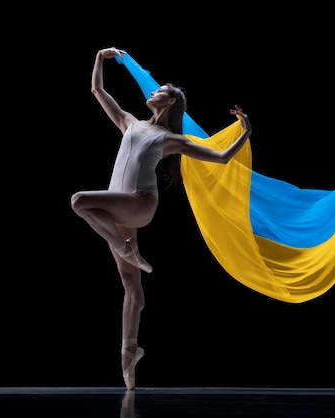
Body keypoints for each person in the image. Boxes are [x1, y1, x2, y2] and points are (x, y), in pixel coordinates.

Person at [71, 47, 252, 390]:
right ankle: (129, 354)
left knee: (79, 200)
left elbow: (222, 157)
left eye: (160, 90)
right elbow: (98, 91)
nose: (152, 92)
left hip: (140, 204)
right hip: (118, 211)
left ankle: (125, 246)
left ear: (169, 102)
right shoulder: (130, 123)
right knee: (132, 287)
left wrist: (244, 131)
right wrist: (99, 57)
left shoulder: (171, 139)